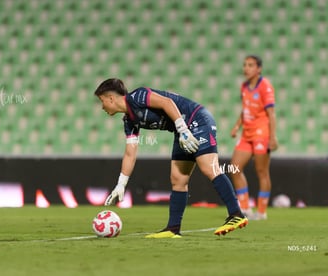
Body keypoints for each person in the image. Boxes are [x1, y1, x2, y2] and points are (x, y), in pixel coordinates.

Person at [94, 78, 248, 238]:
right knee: (178, 179)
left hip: (197, 120)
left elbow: (166, 103)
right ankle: (173, 228)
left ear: (111, 98)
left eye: (102, 100)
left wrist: (184, 130)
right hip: (181, 130)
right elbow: (130, 153)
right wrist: (121, 184)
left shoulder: (138, 96)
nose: (102, 106)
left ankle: (236, 214)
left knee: (209, 167)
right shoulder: (129, 122)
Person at [230, 55, 278, 220]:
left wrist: (273, 137)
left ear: (259, 69)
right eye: (245, 65)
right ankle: (245, 209)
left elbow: (271, 114)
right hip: (247, 133)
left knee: (261, 171)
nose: (246, 68)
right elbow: (245, 110)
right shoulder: (244, 86)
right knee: (235, 168)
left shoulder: (265, 86)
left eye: (250, 65)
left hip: (261, 133)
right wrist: (237, 126)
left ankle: (262, 211)